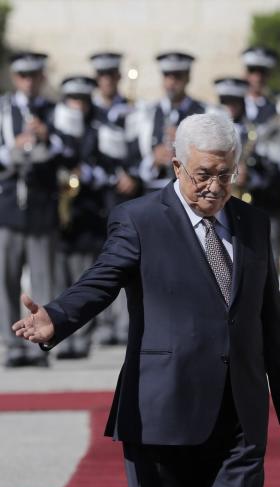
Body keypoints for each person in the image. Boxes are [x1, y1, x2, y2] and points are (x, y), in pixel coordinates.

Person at [12, 112, 280, 487]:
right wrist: (57, 318)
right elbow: (102, 280)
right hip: (162, 412)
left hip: (239, 413)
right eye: (203, 174)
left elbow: (269, 315)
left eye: (226, 173)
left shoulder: (253, 223)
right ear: (176, 166)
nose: (215, 187)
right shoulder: (140, 219)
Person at [0, 51, 71, 368]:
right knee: (6, 278)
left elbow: (71, 149)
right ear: (16, 79)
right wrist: (13, 149)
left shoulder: (55, 111)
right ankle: (10, 344)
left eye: (34, 76)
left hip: (42, 208)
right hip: (9, 206)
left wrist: (47, 137)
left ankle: (39, 343)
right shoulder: (4, 109)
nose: (29, 82)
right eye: (23, 76)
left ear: (42, 78)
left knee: (43, 280)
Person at [53, 75, 111, 360]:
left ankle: (83, 340)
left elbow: (109, 168)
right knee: (59, 278)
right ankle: (63, 338)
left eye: (82, 100)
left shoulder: (98, 128)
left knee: (83, 279)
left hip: (88, 212)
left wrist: (84, 174)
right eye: (72, 100)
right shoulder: (57, 129)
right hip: (61, 218)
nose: (77, 105)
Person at [89, 51, 140, 347]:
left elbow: (138, 148)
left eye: (112, 75)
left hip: (126, 194)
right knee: (100, 260)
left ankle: (123, 322)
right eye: (102, 76)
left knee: (127, 258)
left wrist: (132, 175)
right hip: (97, 197)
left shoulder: (132, 110)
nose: (107, 81)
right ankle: (103, 322)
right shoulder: (89, 111)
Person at [131, 51, 206, 193]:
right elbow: (132, 159)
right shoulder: (147, 113)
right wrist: (154, 160)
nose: (171, 82)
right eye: (167, 76)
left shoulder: (204, 112)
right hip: (155, 191)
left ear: (188, 77)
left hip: (192, 192)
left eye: (177, 76)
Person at [241, 46, 280, 262]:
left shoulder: (278, 109)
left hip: (269, 197)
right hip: (235, 193)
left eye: (262, 72)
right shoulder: (232, 104)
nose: (257, 77)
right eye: (252, 70)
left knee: (269, 260)